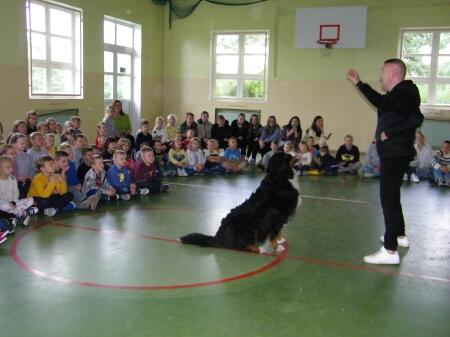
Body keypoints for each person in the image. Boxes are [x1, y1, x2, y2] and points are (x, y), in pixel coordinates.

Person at [347, 58, 424, 264]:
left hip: (395, 152)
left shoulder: (404, 93)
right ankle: (399, 235)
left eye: (383, 71)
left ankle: (390, 251)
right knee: (392, 195)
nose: (380, 74)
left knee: (388, 198)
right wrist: (359, 83)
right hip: (396, 153)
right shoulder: (396, 94)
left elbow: (416, 118)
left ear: (393, 73)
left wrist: (389, 132)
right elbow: (379, 101)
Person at [0, 156, 37, 227]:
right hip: (3, 204)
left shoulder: (13, 178)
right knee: (4, 205)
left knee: (31, 199)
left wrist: (13, 202)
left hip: (14, 203)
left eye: (11, 166)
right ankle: (22, 214)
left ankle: (14, 216)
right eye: (8, 167)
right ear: (0, 169)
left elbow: (16, 193)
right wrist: (8, 203)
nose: (11, 169)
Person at [10, 133, 34, 198]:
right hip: (15, 182)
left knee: (27, 195)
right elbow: (9, 170)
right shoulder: (11, 157)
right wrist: (17, 177)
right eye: (22, 143)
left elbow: (31, 168)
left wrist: (31, 176)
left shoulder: (28, 156)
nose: (24, 145)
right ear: (13, 144)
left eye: (25, 143)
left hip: (27, 181)